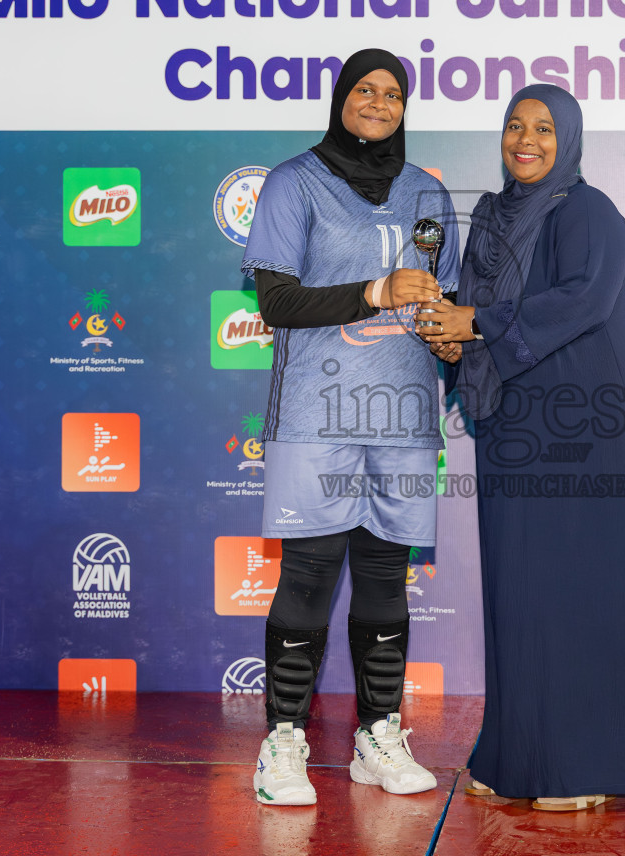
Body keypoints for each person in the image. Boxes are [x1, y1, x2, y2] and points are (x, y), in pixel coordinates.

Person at [417, 84, 625, 809]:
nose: (526, 139)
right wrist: (445, 331)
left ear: (572, 138)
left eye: (546, 128)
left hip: (593, 426)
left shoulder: (589, 211)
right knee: (523, 590)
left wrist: (477, 324)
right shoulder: (491, 219)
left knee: (581, 592)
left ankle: (587, 765)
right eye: (514, 126)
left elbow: (584, 298)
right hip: (514, 424)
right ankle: (520, 753)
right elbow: (471, 309)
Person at [241, 48, 460, 807]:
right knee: (306, 576)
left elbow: (443, 304)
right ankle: (284, 742)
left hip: (400, 416)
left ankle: (377, 735)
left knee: (381, 579)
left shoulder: (429, 193)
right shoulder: (292, 182)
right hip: (315, 416)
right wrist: (376, 290)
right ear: (340, 99)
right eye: (364, 89)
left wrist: (450, 333)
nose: (378, 102)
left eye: (392, 92)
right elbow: (276, 303)